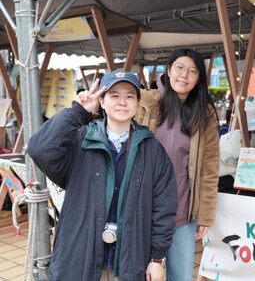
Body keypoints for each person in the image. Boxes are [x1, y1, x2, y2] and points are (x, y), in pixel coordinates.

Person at [27, 71, 178, 281]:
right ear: (102, 102)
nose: (122, 102)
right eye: (114, 95)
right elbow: (40, 149)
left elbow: (163, 207)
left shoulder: (152, 150)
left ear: (138, 103)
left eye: (130, 96)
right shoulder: (81, 140)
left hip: (129, 259)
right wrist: (78, 112)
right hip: (80, 256)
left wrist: (157, 258)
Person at [138, 48, 220, 281]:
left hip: (182, 210)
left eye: (192, 71)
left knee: (181, 276)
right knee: (138, 273)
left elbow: (210, 169)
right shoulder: (147, 103)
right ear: (169, 70)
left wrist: (205, 214)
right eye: (180, 68)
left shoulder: (205, 114)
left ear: (198, 80)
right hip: (143, 206)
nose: (184, 75)